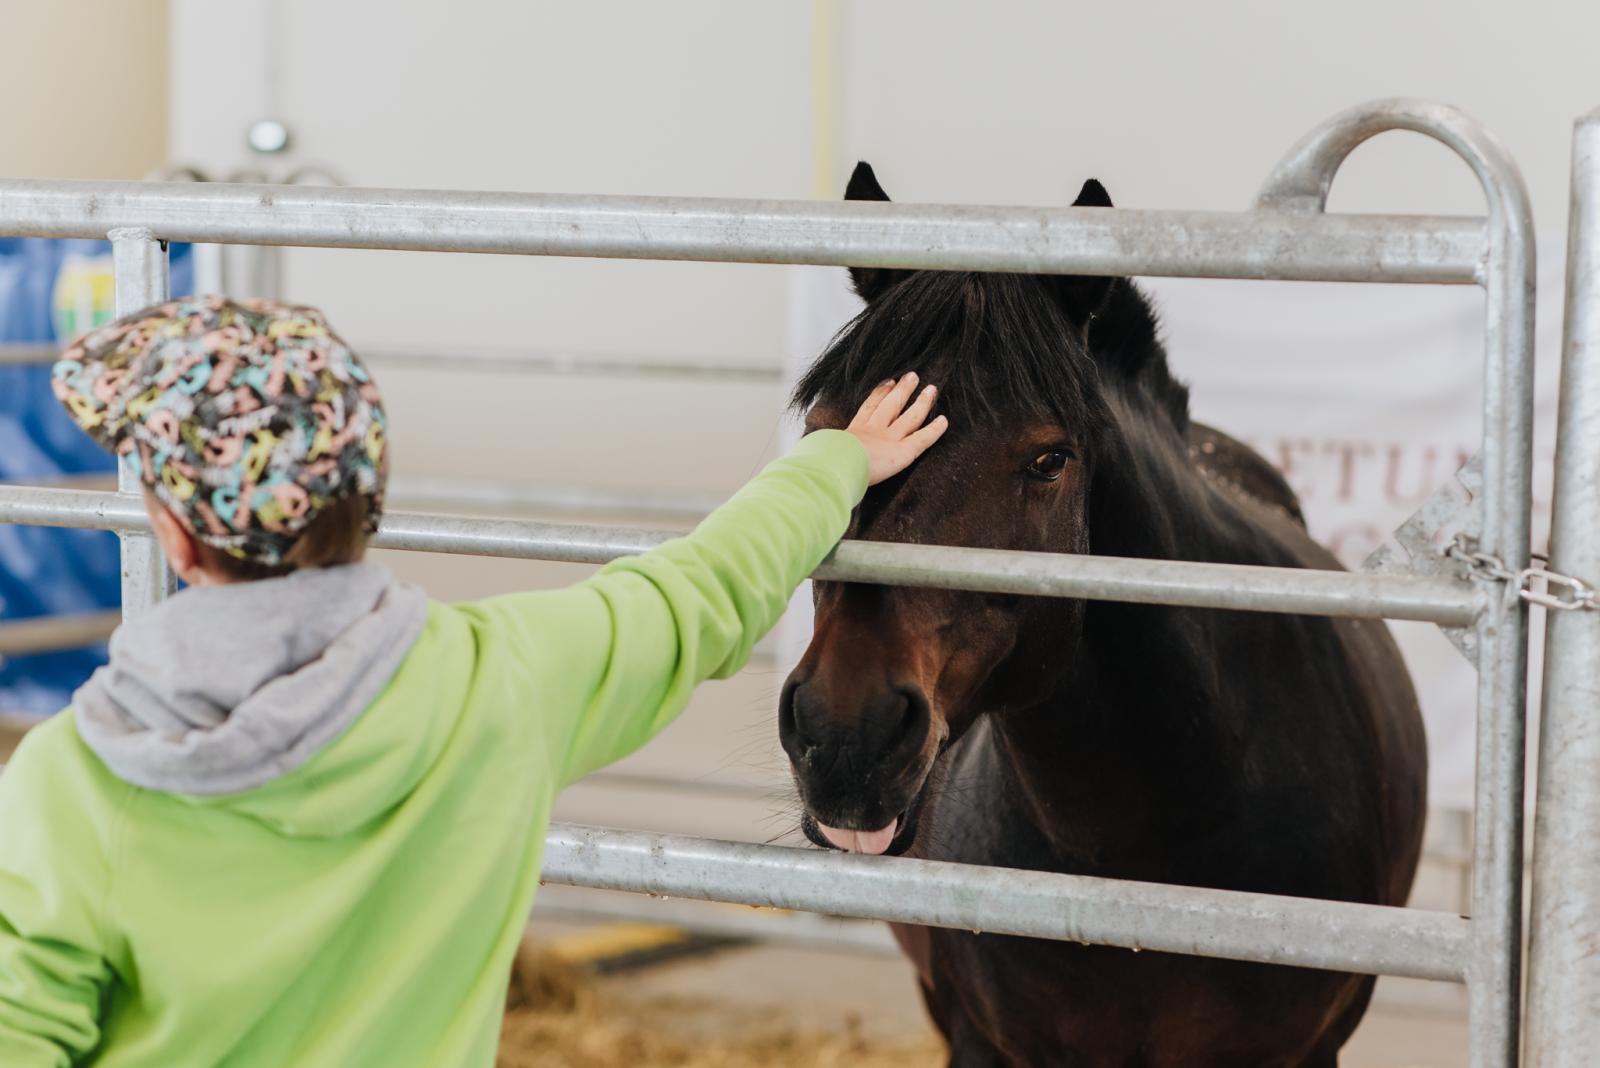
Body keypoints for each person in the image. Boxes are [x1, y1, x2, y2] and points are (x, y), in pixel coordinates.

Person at [0, 296, 946, 1067]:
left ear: (174, 533)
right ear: (366, 498)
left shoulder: (73, 784)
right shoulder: (501, 685)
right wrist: (840, 462)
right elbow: (703, 587)